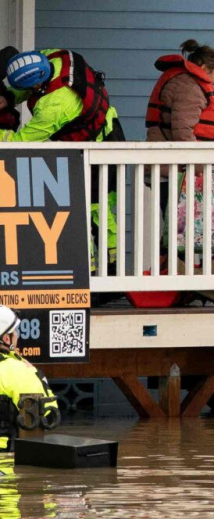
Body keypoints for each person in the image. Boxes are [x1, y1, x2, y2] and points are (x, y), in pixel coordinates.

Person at [1, 48, 123, 273]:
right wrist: (7, 97)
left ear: (35, 86)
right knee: (89, 208)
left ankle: (105, 273)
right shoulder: (53, 56)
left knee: (96, 209)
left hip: (100, 145)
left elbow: (20, 141)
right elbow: (31, 85)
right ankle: (95, 270)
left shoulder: (55, 106)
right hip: (99, 133)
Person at [0, 306, 58, 451]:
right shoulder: (19, 372)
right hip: (6, 465)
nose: (17, 336)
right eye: (15, 332)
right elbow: (49, 416)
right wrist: (39, 377)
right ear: (7, 338)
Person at [145, 40, 214, 142]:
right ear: (204, 69)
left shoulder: (183, 81)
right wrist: (194, 156)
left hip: (164, 148)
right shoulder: (190, 89)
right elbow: (183, 131)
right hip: (169, 153)